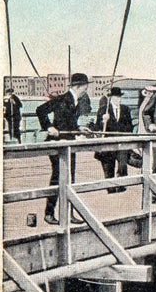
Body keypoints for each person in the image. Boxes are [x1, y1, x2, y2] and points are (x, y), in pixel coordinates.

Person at [35, 72, 92, 225]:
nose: (86, 90)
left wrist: (79, 128)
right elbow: (40, 110)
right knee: (57, 178)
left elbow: (69, 123)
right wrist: (49, 127)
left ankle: (68, 214)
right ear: (79, 86)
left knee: (70, 179)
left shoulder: (76, 101)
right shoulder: (61, 99)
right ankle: (49, 213)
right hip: (57, 144)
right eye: (85, 87)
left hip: (69, 144)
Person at [91, 86, 134, 192]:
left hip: (122, 143)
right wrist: (103, 121)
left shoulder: (125, 109)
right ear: (110, 98)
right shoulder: (104, 109)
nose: (118, 99)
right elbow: (97, 127)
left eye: (119, 97)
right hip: (109, 143)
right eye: (116, 97)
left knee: (122, 165)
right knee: (109, 167)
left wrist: (124, 135)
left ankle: (122, 187)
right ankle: (110, 188)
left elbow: (130, 126)